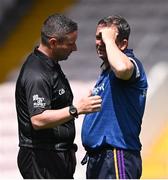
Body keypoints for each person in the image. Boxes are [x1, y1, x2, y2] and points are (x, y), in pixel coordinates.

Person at [15, 13, 102, 179]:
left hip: (55, 156)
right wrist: (77, 109)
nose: (75, 48)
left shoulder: (50, 65)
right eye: (70, 44)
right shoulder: (36, 73)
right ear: (53, 43)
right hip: (41, 160)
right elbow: (38, 119)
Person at [81, 15, 148, 179]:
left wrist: (109, 41)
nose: (100, 42)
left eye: (106, 37)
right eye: (98, 37)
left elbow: (123, 68)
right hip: (99, 159)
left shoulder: (130, 63)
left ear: (123, 44)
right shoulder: (106, 72)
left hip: (117, 155)